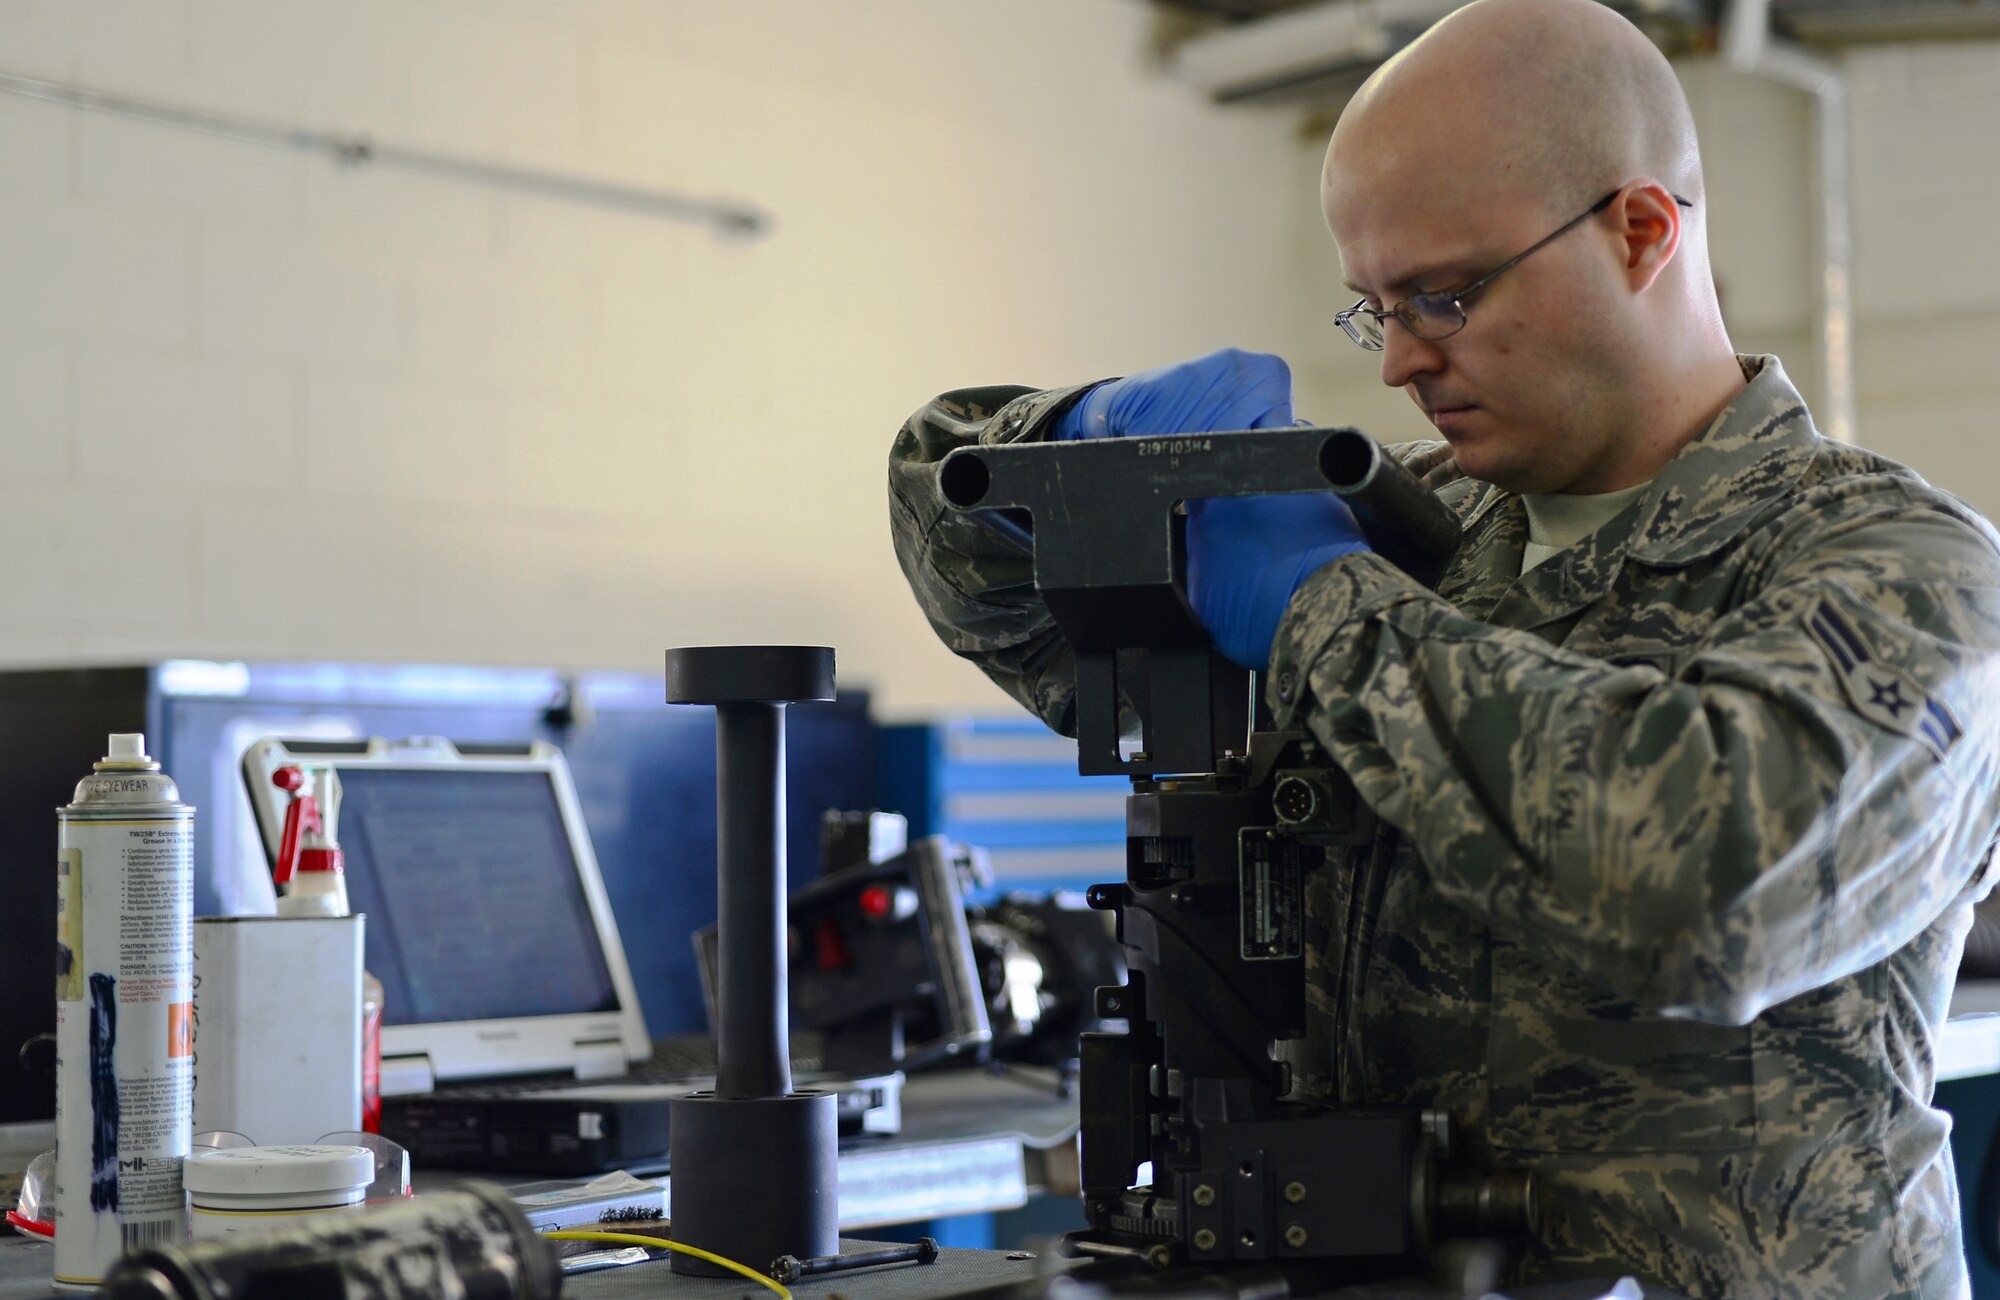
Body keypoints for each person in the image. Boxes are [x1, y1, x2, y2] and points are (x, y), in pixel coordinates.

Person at [887, 0, 2000, 1294]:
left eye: (1446, 294)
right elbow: (958, 536)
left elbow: (1715, 893)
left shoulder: (1900, 570)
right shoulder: (1404, 529)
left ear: (1642, 230)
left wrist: (1322, 614)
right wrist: (1082, 436)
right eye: (1374, 310)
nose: (1407, 360)